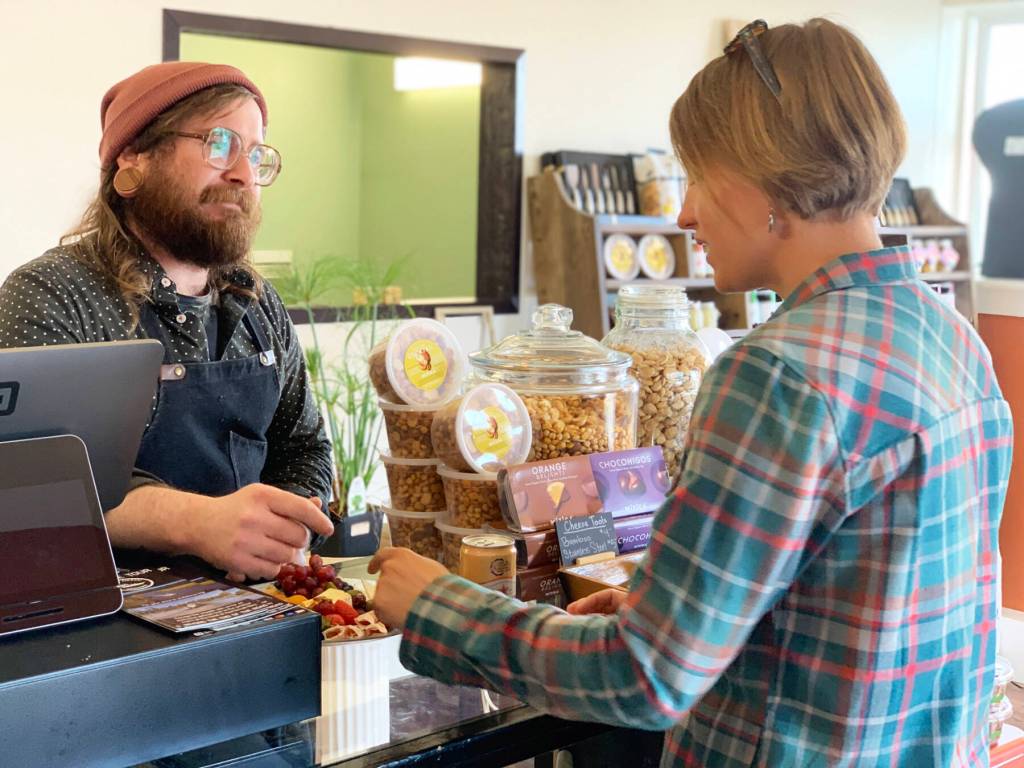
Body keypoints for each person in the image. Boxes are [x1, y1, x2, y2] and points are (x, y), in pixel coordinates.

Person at [369, 18, 1013, 766]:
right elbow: (862, 611)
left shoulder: (776, 375)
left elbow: (643, 677)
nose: (684, 213)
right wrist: (674, 606)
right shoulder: (955, 338)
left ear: (764, 178)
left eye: (697, 175)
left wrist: (438, 610)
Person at [0, 62, 334, 581]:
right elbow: (34, 481)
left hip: (249, 605)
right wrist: (199, 523)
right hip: (102, 623)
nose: (243, 174)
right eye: (219, 144)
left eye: (255, 154)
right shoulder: (54, 295)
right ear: (134, 157)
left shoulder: (256, 303)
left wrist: (280, 532)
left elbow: (305, 447)